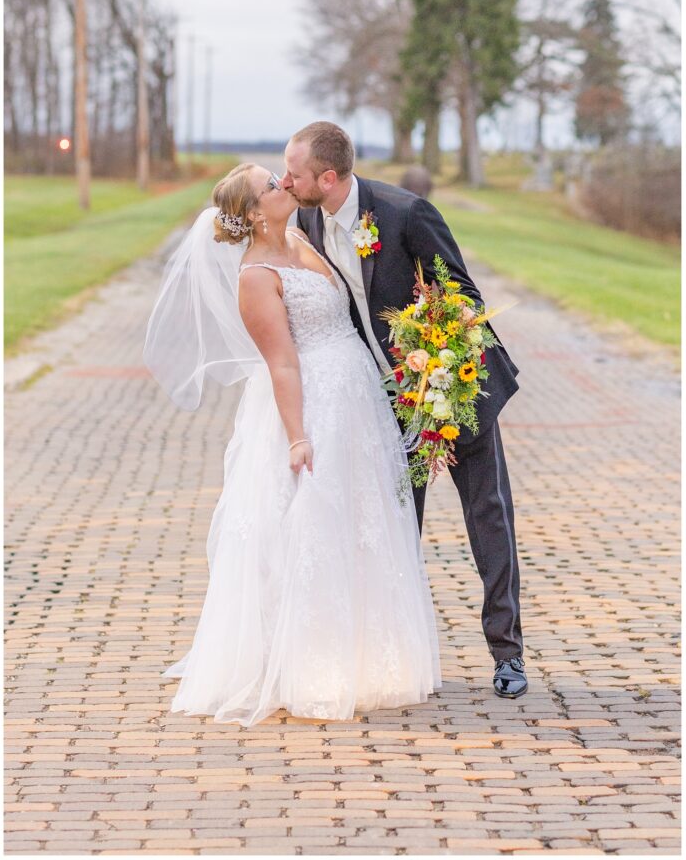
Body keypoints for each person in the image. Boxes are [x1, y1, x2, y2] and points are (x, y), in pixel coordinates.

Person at [143, 162, 442, 726]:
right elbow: (281, 362)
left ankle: (371, 657)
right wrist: (298, 437)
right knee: (312, 528)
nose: (284, 184)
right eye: (271, 185)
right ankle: (310, 665)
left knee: (363, 520)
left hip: (355, 399)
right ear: (254, 213)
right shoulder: (255, 276)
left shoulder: (302, 234)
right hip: (312, 407)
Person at [283, 121, 527, 699]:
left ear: (328, 176)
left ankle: (508, 653)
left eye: (294, 171)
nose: (284, 179)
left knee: (487, 515)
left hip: (451, 385)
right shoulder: (307, 219)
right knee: (394, 525)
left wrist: (434, 362)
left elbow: (463, 295)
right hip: (379, 401)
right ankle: (397, 655)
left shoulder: (405, 213)